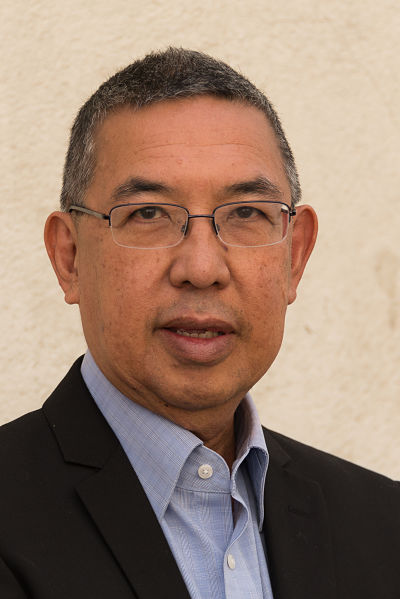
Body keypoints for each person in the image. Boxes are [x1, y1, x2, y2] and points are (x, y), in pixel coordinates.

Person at [0, 48, 398, 599]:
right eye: (148, 214)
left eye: (246, 213)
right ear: (69, 258)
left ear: (295, 256)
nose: (202, 268)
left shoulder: (383, 528)